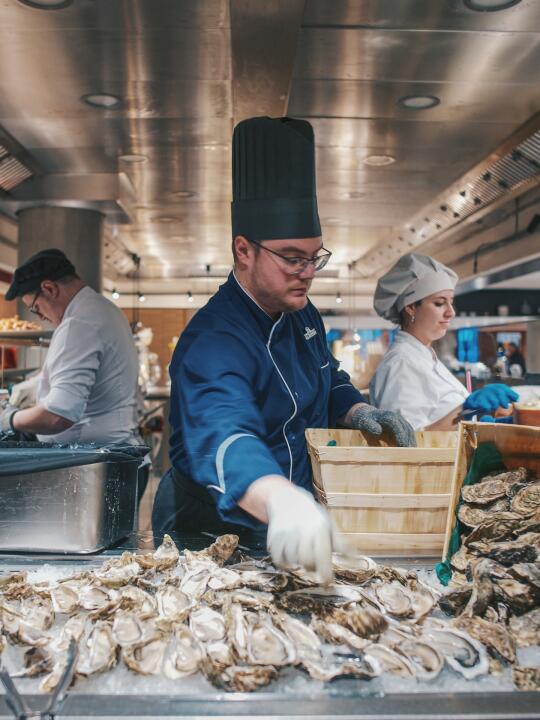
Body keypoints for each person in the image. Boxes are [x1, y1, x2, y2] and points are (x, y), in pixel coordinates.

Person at [152, 116, 416, 582]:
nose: (307, 273)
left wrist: (356, 410)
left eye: (314, 257)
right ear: (243, 250)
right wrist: (280, 499)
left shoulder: (302, 313)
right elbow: (223, 433)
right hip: (209, 532)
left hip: (289, 521)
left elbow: (327, 376)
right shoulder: (214, 339)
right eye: (293, 258)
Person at [0, 249, 140, 446]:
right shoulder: (105, 309)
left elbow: (57, 416)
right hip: (113, 449)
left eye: (36, 308)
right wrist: (37, 384)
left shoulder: (78, 324)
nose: (40, 317)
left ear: (49, 288)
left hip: (93, 457)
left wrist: (9, 420)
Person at [369, 253, 518, 430]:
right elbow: (406, 440)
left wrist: (486, 423)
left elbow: (444, 420)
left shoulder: (425, 357)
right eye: (439, 303)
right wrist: (465, 409)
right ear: (410, 307)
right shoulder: (401, 363)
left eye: (451, 302)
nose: (451, 312)